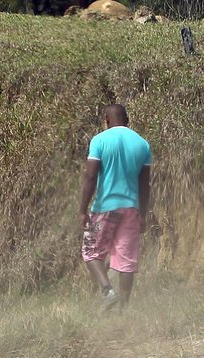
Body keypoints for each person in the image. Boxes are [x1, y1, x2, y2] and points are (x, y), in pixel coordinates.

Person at [79, 104, 151, 312]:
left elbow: (91, 176)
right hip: (131, 209)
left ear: (106, 120)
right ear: (127, 119)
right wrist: (143, 214)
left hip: (104, 208)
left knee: (90, 251)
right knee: (126, 260)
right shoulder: (142, 144)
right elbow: (145, 184)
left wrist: (83, 209)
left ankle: (108, 292)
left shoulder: (99, 140)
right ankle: (124, 311)